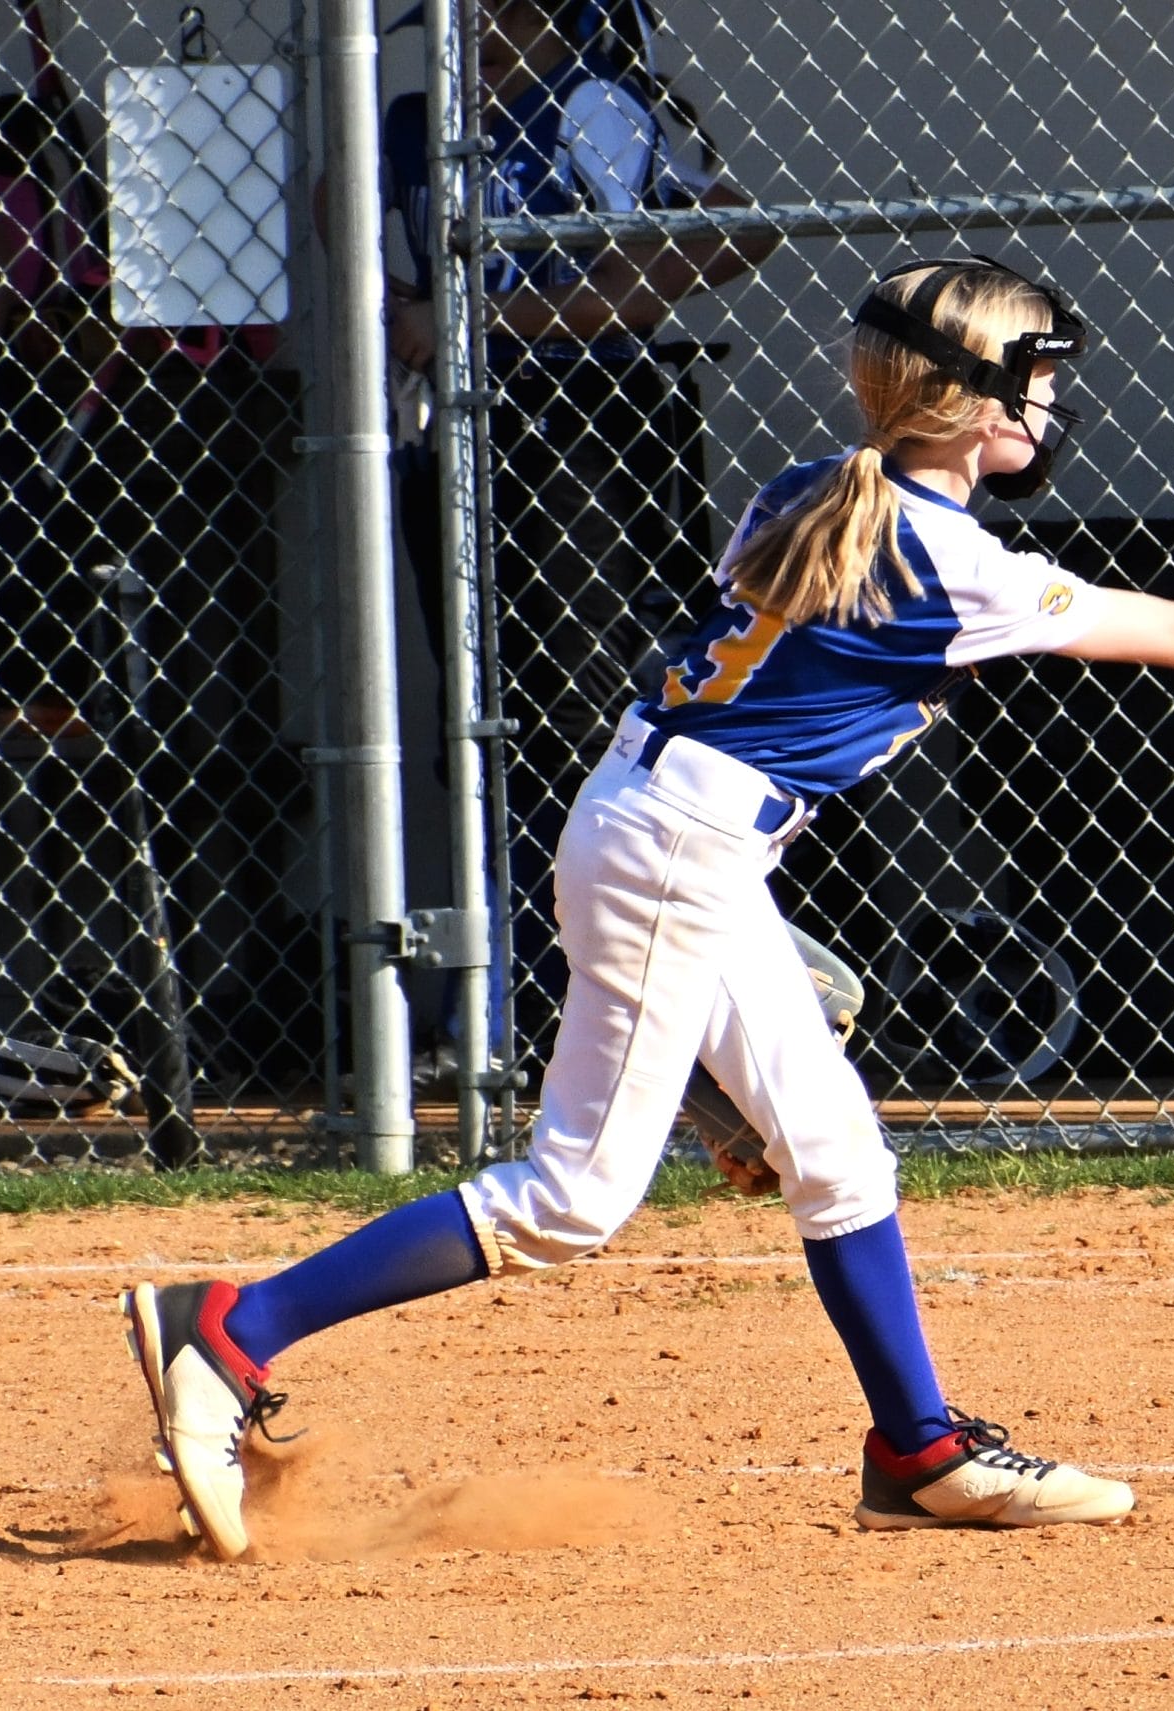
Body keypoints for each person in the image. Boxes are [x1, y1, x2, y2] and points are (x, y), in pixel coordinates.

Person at [119, 255, 1174, 1556]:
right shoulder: (950, 558)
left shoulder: (817, 484)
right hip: (682, 851)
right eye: (1033, 379)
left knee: (833, 1149)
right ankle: (232, 1325)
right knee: (574, 1198)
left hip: (663, 825)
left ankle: (919, 1451)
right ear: (968, 398)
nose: (1048, 405)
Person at [384, 0, 772, 1077]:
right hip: (456, 441)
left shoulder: (594, 105)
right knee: (475, 712)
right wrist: (407, 305)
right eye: (468, 20)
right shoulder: (420, 120)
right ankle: (497, 989)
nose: (486, 37)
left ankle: (587, 996)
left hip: (576, 431)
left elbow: (731, 226)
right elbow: (353, 218)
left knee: (576, 708)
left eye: (514, 15)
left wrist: (502, 321)